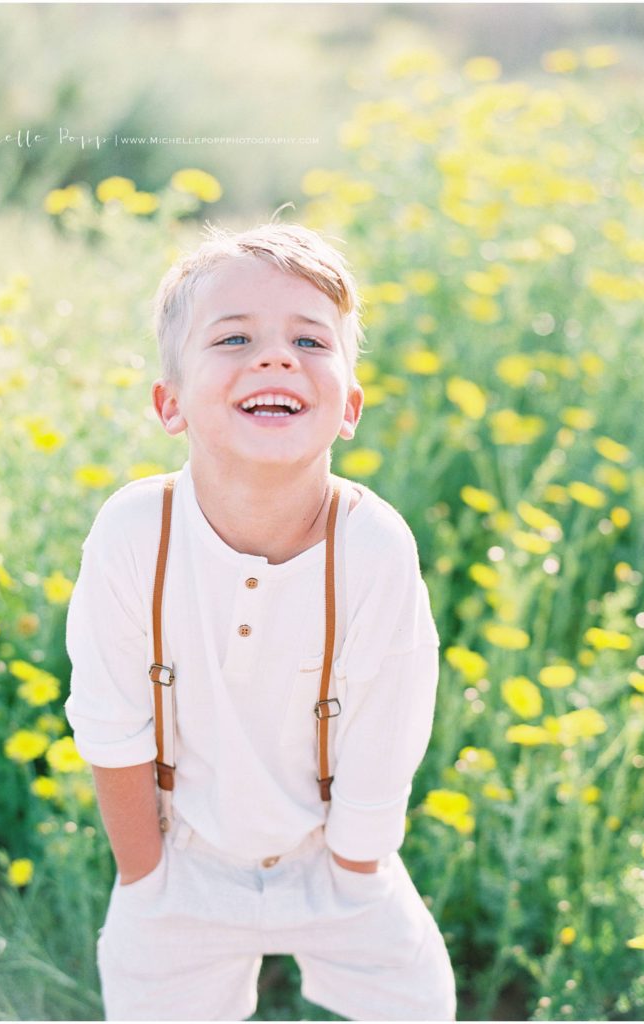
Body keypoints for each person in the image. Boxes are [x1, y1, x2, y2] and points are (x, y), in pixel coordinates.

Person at [64, 220, 457, 1021]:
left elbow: (389, 735)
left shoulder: (374, 546)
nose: (275, 357)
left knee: (418, 1001)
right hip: (183, 855)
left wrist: (353, 870)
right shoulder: (136, 532)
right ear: (170, 404)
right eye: (234, 337)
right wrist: (145, 876)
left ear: (348, 406)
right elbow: (110, 723)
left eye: (310, 342)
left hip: (335, 855)